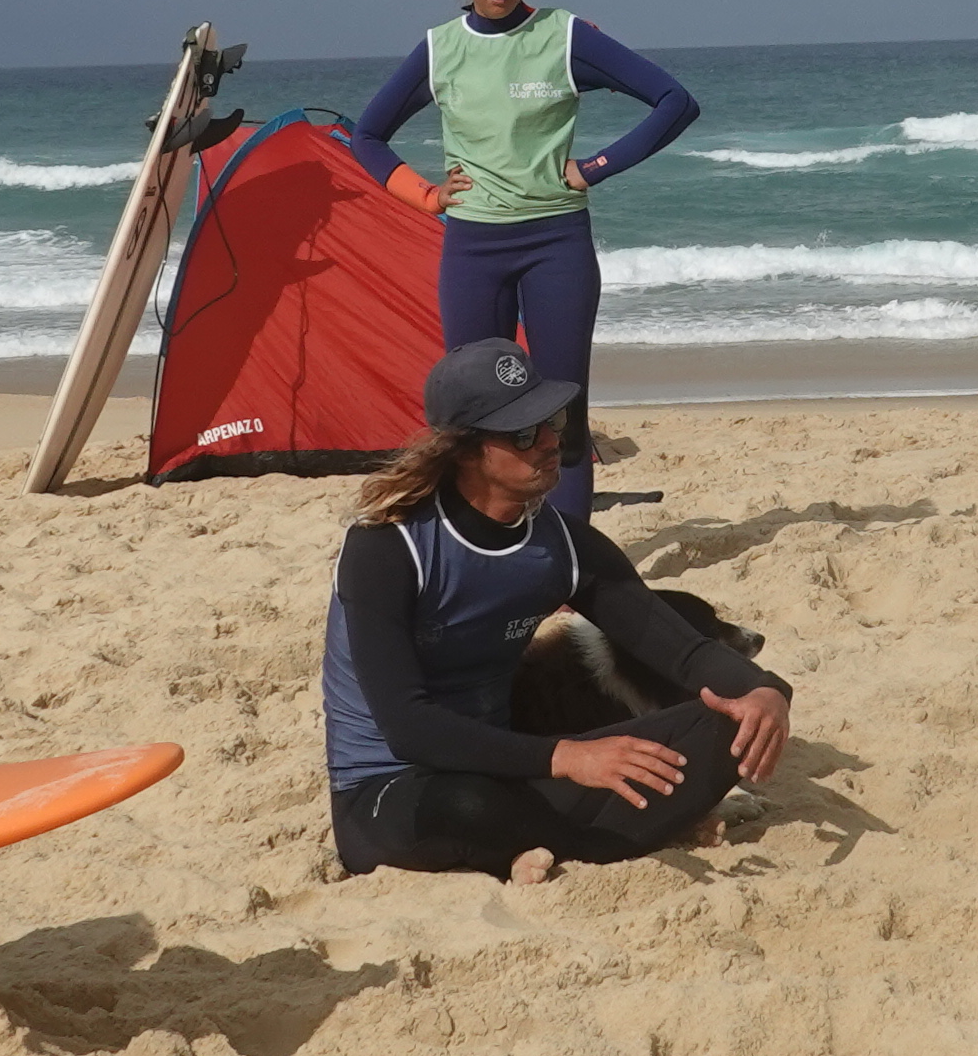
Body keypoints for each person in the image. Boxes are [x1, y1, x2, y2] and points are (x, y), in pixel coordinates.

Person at [320, 341, 790, 884]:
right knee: (471, 805)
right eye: (523, 433)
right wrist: (569, 758)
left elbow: (681, 651)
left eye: (552, 421)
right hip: (394, 788)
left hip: (509, 770)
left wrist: (765, 690)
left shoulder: (563, 546)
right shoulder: (387, 548)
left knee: (734, 721)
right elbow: (409, 727)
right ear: (465, 451)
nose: (550, 442)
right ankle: (599, 836)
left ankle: (549, 841)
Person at [353, 0, 698, 517]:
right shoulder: (440, 48)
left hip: (556, 245)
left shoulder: (563, 37)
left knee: (564, 412)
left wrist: (595, 167)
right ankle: (483, 544)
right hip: (473, 250)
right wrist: (427, 196)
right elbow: (367, 136)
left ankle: (567, 554)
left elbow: (675, 102)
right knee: (472, 414)